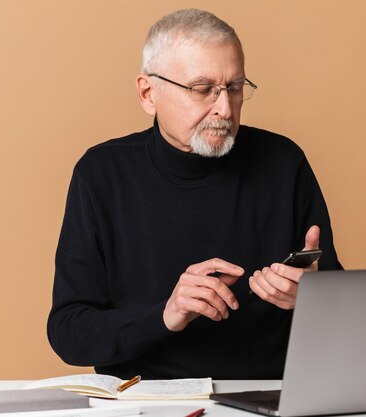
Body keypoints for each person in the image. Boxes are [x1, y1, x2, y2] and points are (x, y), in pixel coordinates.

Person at [47, 8, 342, 380]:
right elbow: (69, 332)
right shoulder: (101, 174)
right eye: (203, 89)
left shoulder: (284, 162)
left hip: (270, 394)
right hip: (145, 399)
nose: (224, 108)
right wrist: (165, 315)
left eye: (234, 88)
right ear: (147, 93)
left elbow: (343, 310)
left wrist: (317, 297)